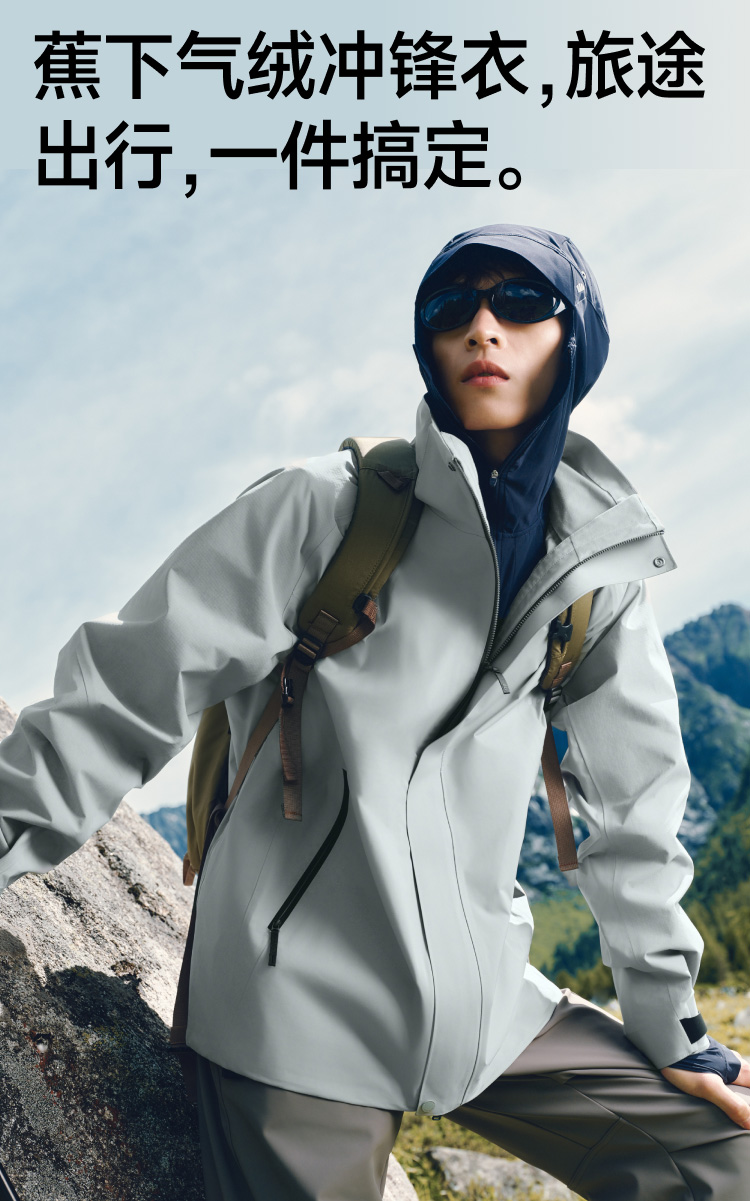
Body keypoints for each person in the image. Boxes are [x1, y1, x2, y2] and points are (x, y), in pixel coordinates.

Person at [0, 223, 748, 1201]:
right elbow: (121, 696)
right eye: (451, 307)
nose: (482, 327)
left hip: (486, 1007)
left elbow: (635, 817)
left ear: (578, 339)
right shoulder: (325, 509)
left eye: (522, 301)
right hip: (295, 1012)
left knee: (729, 1160)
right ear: (428, 347)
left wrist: (673, 1026)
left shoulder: (596, 576)